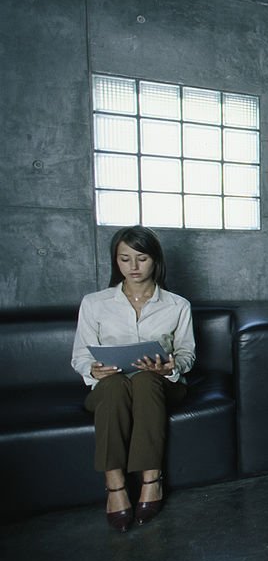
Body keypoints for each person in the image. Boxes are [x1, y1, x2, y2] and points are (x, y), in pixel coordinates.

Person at [71, 226, 196, 532]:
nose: (134, 267)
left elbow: (187, 355)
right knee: (114, 385)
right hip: (110, 385)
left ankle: (151, 480)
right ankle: (115, 486)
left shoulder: (178, 305)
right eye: (125, 259)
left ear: (155, 260)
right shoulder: (94, 303)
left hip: (160, 384)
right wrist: (92, 369)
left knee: (144, 380)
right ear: (116, 261)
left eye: (141, 258)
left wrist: (169, 367)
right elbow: (79, 355)